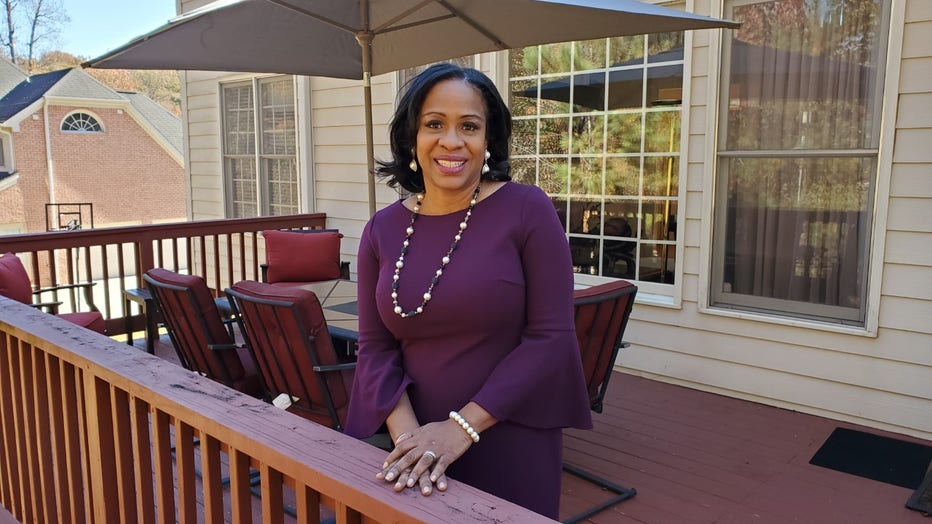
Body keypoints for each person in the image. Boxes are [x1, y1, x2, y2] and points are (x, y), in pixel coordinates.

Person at [344, 63, 592, 519]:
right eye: (434, 124)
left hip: (512, 432)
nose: (452, 141)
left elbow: (551, 338)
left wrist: (458, 431)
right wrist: (411, 441)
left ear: (488, 140)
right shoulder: (382, 229)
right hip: (415, 451)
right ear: (411, 138)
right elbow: (375, 349)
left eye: (469, 126)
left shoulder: (526, 209)